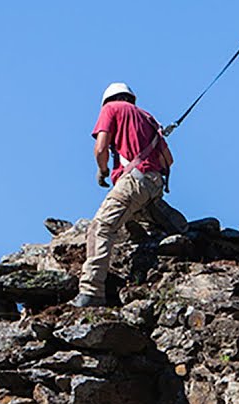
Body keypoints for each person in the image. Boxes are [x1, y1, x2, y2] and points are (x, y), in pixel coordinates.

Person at [73, 82, 174, 308]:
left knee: (101, 227)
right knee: (131, 217)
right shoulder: (148, 117)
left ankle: (91, 292)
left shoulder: (111, 109)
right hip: (154, 181)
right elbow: (169, 159)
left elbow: (101, 148)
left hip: (133, 180)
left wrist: (103, 170)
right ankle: (158, 215)